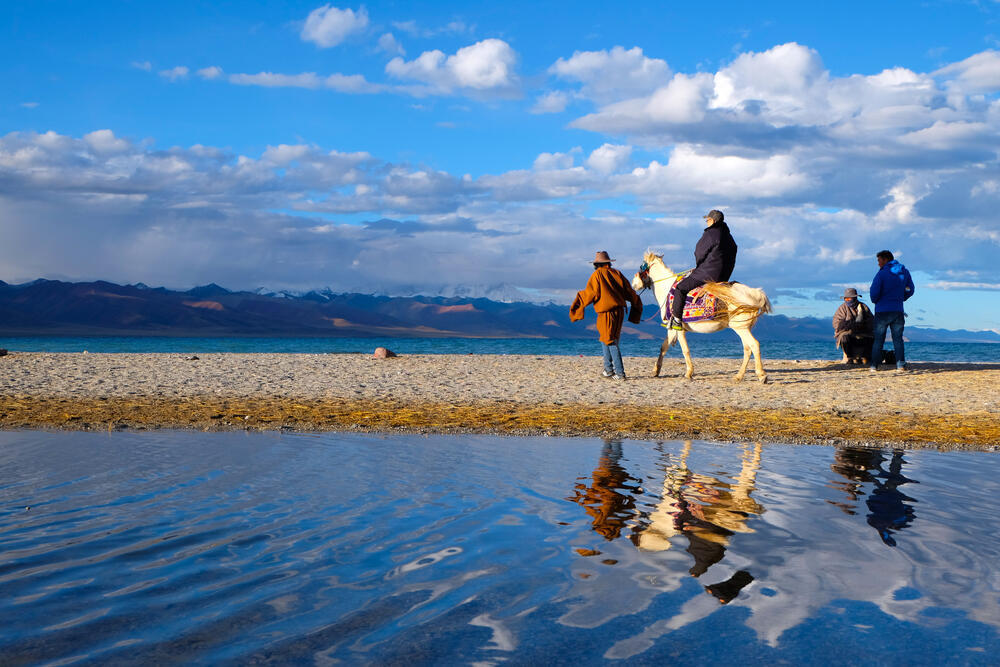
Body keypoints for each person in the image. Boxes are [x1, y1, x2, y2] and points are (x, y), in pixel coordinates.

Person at [570, 251, 643, 380]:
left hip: (606, 313)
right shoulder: (617, 273)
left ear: (597, 264)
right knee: (606, 339)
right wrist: (635, 302)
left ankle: (620, 373)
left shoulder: (597, 275)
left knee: (610, 341)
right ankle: (608, 370)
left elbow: (589, 294)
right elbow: (629, 291)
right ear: (608, 262)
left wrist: (577, 306)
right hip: (619, 312)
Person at [668, 209, 738, 330]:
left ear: (713, 220)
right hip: (724, 276)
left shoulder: (711, 233)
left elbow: (699, 252)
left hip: (707, 273)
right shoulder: (729, 237)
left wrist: (699, 265)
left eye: (707, 220)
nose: (706, 222)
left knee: (680, 288)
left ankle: (677, 320)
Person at [869, 250, 915, 372]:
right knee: (898, 339)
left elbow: (874, 292)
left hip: (882, 311)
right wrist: (901, 298)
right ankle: (900, 365)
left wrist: (876, 301)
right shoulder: (904, 272)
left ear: (885, 259)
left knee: (879, 339)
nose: (878, 264)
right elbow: (910, 289)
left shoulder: (882, 274)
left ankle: (874, 365)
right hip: (897, 310)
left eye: (879, 261)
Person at [832, 287, 874, 364]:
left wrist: (862, 326)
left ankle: (866, 356)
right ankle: (849, 357)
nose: (847, 301)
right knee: (844, 337)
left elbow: (871, 321)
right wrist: (850, 326)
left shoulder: (864, 307)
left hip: (863, 332)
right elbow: (836, 323)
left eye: (849, 299)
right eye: (846, 299)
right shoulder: (842, 309)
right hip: (847, 333)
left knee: (872, 337)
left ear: (855, 298)